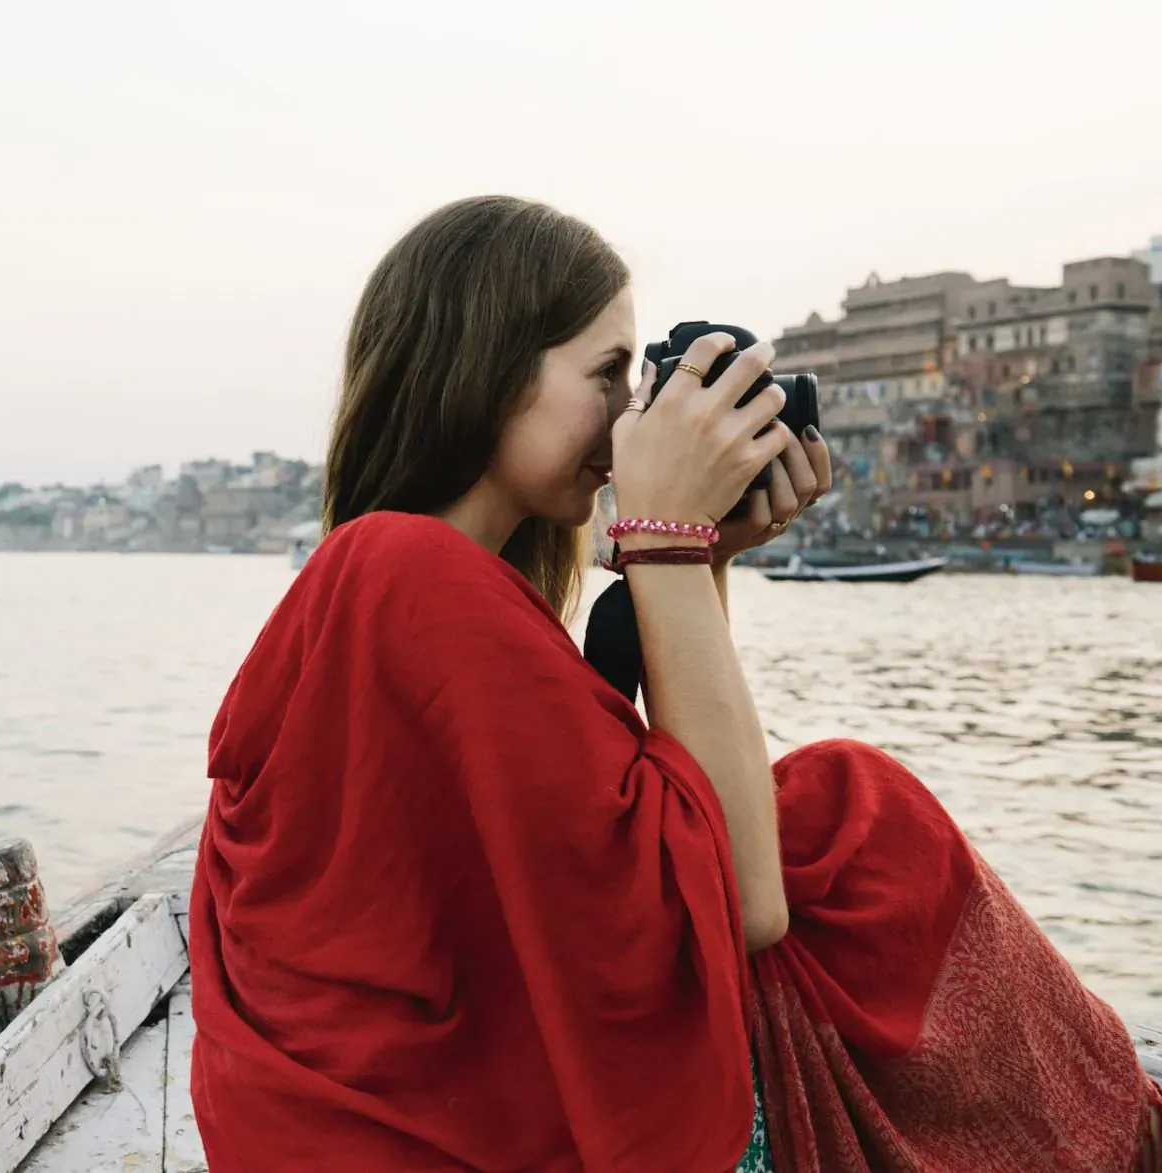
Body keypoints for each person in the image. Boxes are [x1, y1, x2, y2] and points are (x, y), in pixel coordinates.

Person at [187, 197, 1160, 1172]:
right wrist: (666, 545)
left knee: (828, 815)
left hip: (403, 1107)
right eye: (607, 373)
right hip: (437, 1128)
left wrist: (707, 550)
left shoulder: (409, 581)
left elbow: (669, 827)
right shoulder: (411, 574)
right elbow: (741, 896)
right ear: (483, 371)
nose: (629, 415)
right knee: (862, 820)